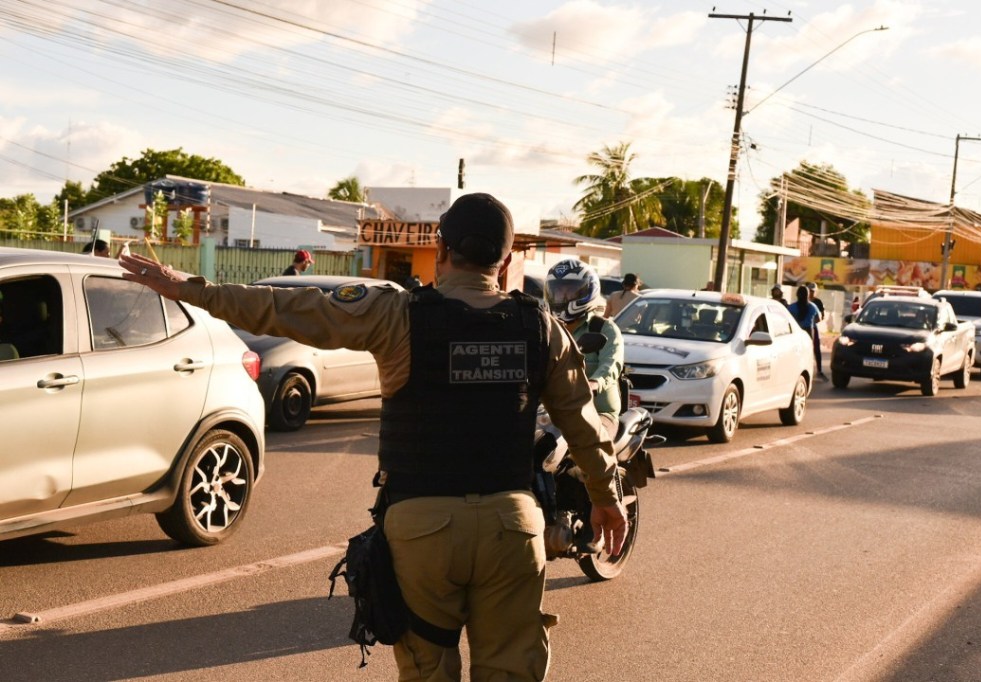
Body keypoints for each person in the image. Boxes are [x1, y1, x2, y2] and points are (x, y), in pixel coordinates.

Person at [119, 192, 628, 681]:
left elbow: (286, 309)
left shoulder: (395, 312)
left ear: (442, 251)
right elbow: (583, 426)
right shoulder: (541, 327)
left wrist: (189, 288)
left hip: (421, 528)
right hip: (513, 527)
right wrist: (608, 499)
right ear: (507, 258)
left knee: (428, 669)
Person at [544, 259, 624, 435]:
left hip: (599, 413)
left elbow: (612, 363)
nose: (561, 297)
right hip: (556, 412)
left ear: (588, 291)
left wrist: (594, 383)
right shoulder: (548, 329)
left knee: (587, 445)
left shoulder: (604, 328)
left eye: (569, 291)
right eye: (557, 291)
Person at [806, 282, 826, 378]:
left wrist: (813, 321)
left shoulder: (818, 302)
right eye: (809, 291)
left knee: (816, 348)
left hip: (813, 327)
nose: (811, 293)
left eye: (813, 291)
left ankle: (819, 370)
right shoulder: (803, 300)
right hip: (802, 328)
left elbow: (822, 316)